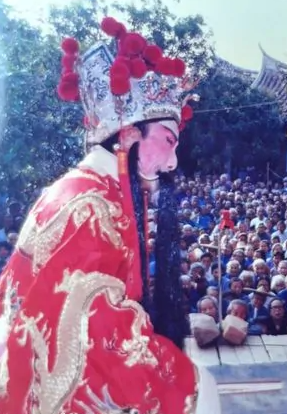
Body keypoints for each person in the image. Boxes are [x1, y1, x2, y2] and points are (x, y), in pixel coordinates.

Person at [0, 17, 221, 413]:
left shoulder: (77, 188)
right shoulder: (92, 207)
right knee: (200, 389)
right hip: (50, 382)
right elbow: (96, 333)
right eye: (168, 141)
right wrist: (181, 379)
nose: (173, 162)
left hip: (18, 377)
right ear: (130, 135)